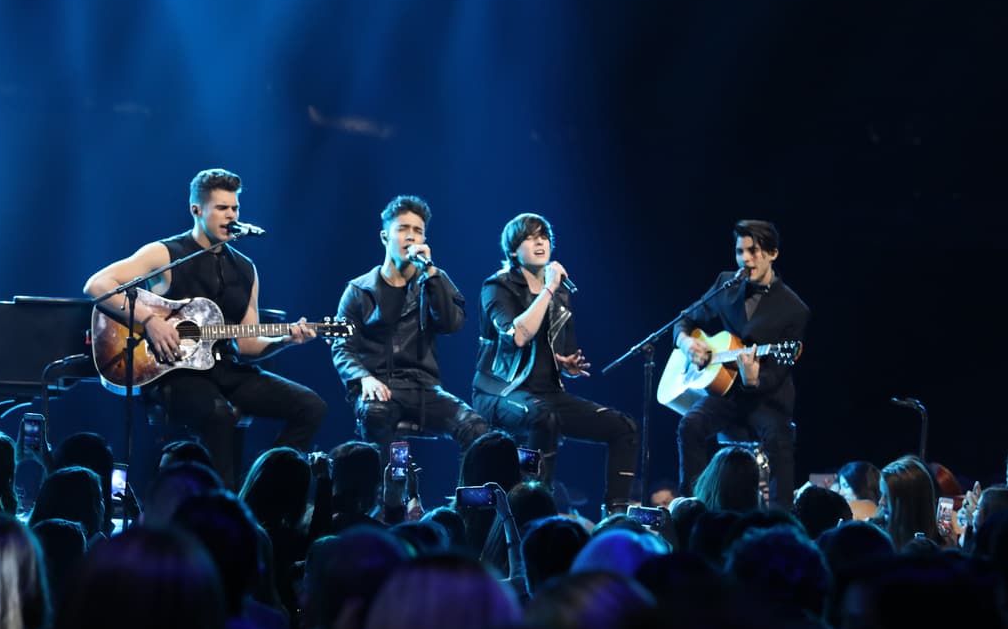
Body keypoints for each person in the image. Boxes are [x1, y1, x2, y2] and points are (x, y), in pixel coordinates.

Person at [83, 169, 326, 489]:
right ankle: (220, 504)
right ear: (196, 210)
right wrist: (150, 321)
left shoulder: (246, 269)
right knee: (219, 416)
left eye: (235, 208)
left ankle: (263, 488)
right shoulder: (165, 253)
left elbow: (247, 343)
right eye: (221, 208)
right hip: (173, 372)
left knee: (311, 406)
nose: (231, 215)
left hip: (225, 370)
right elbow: (98, 285)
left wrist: (285, 339)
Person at [472, 213, 638, 510]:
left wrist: (566, 364)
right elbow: (517, 336)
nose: (540, 243)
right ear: (513, 251)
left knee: (623, 427)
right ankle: (535, 502)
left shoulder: (560, 295)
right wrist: (548, 288)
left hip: (547, 394)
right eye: (530, 238)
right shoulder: (497, 287)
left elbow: (560, 349)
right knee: (543, 417)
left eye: (544, 237)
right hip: (499, 391)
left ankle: (616, 511)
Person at [331, 195, 487, 461]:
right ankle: (395, 483)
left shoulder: (434, 279)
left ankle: (467, 490)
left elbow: (451, 324)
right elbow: (342, 347)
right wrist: (364, 378)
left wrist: (432, 277)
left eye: (418, 231)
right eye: (403, 229)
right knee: (377, 414)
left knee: (476, 428)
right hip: (378, 386)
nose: (411, 236)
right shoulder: (359, 290)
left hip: (422, 387)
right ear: (385, 236)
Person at [674, 219, 809, 510]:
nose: (745, 259)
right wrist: (685, 342)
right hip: (726, 393)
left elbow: (778, 373)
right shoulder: (727, 284)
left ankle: (781, 518)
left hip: (767, 399)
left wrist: (753, 378)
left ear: (772, 253)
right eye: (740, 251)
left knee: (779, 441)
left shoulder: (794, 308)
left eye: (753, 251)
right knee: (690, 425)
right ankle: (693, 506)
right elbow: (685, 319)